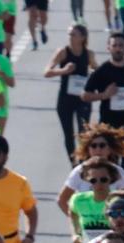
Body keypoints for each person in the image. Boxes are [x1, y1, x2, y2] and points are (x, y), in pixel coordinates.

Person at [82, 31, 124, 156]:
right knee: (111, 164)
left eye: (121, 45)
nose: (118, 49)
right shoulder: (102, 70)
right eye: (114, 45)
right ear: (109, 48)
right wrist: (104, 95)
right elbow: (85, 95)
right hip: (108, 125)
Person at [56, 123, 124, 221]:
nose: (98, 149)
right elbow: (62, 200)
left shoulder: (118, 171)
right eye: (93, 146)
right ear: (88, 149)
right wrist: (77, 221)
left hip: (112, 227)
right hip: (88, 229)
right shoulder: (79, 171)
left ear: (109, 149)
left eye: (102, 145)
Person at [44, 25, 95, 162]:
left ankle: (83, 161)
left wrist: (94, 75)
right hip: (65, 99)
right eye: (69, 34)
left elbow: (98, 70)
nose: (70, 37)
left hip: (82, 99)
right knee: (68, 134)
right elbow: (47, 72)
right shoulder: (63, 52)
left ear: (82, 38)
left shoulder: (88, 54)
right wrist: (63, 71)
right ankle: (73, 164)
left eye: (73, 35)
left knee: (84, 133)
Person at [65, 157, 123, 243]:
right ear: (87, 180)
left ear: (111, 178)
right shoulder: (78, 200)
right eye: (93, 180)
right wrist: (75, 234)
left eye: (103, 180)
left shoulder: (121, 201)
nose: (98, 184)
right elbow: (72, 214)